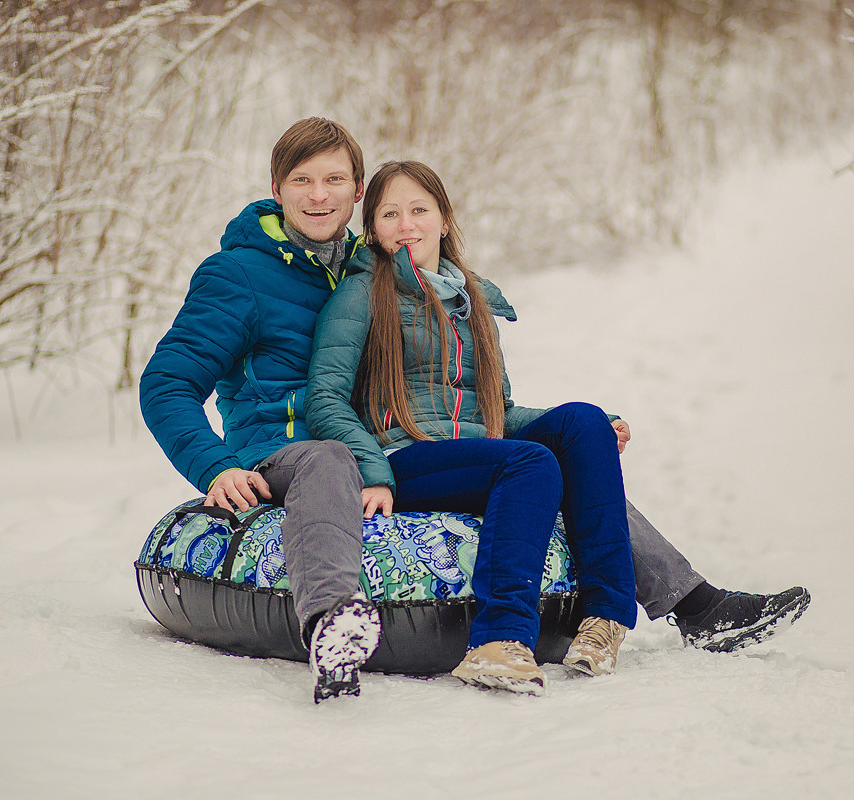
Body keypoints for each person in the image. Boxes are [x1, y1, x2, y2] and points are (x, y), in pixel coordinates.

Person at [139, 116, 809, 704]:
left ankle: (687, 605)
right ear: (276, 187)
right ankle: (348, 623)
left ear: (356, 192)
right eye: (303, 181)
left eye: (334, 180)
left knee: (574, 437)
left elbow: (464, 400)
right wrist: (216, 466)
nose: (319, 195)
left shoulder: (369, 264)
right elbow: (167, 382)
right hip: (296, 455)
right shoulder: (240, 276)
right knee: (364, 457)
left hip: (378, 443)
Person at [306, 161, 642, 694]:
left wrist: (597, 427)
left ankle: (604, 619)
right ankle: (498, 639)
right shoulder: (361, 294)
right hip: (405, 457)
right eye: (389, 214)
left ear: (444, 220)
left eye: (419, 210)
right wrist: (372, 469)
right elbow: (323, 398)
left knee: (583, 420)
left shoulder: (473, 300)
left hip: (477, 452)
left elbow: (495, 412)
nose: (406, 225)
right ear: (372, 229)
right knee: (531, 462)